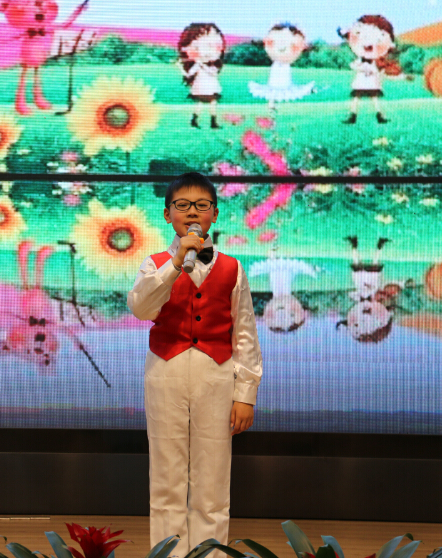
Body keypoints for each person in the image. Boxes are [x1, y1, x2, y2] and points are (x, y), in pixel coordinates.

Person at [127, 172, 262, 553]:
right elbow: (141, 308)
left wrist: (245, 394)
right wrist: (174, 264)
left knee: (213, 477)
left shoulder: (233, 268)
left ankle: (210, 553)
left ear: (214, 214)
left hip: (215, 376)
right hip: (165, 373)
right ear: (167, 214)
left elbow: (245, 333)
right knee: (166, 476)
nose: (192, 213)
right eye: (182, 205)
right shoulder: (155, 264)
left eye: (201, 206)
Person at [338, 15, 404, 124]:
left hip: (370, 78)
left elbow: (377, 65)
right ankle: (353, 115)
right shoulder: (362, 54)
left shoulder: (374, 56)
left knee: (373, 96)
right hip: (362, 78)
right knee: (358, 96)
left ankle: (378, 115)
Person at [248, 23, 316, 112]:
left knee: (283, 87)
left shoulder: (286, 61)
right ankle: (272, 104)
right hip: (277, 70)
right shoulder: (276, 60)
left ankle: (275, 104)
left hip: (283, 69)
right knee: (273, 88)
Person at [178, 23, 226, 129]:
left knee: (212, 103)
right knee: (199, 103)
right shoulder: (197, 65)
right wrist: (180, 68)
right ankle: (194, 120)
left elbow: (213, 72)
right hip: (200, 87)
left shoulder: (211, 65)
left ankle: (213, 122)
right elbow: (189, 74)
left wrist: (202, 64)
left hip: (211, 88)